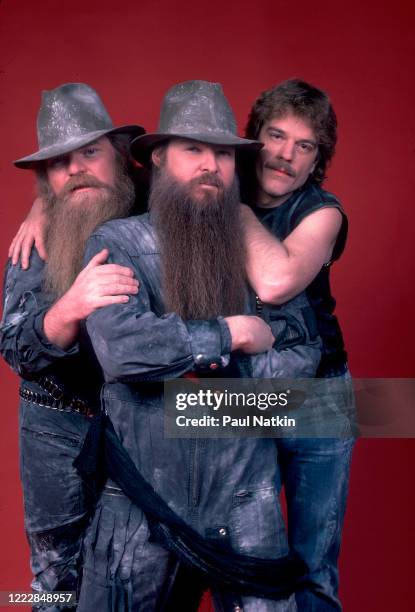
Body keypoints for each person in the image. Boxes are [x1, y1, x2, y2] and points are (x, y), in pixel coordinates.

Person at [76, 79, 322, 612]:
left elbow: (302, 358)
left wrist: (191, 394)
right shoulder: (116, 243)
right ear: (160, 158)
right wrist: (231, 335)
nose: (211, 165)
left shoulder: (257, 254)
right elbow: (122, 350)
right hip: (141, 497)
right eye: (194, 150)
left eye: (223, 154)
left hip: (244, 494)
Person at [0, 82, 144, 606]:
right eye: (60, 163)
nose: (76, 170)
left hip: (143, 419)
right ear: (46, 179)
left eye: (90, 153)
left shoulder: (154, 207)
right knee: (55, 583)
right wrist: (70, 306)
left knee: (138, 574)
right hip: (54, 424)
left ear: (122, 157)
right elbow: (17, 348)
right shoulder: (32, 243)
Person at [240, 78, 355, 610]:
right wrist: (43, 207)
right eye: (276, 136)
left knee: (312, 567)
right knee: (245, 559)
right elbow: (115, 184)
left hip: (318, 397)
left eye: (304, 146)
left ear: (316, 160)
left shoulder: (323, 212)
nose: (285, 156)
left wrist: (232, 209)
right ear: (254, 137)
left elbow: (275, 282)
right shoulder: (211, 182)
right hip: (238, 398)